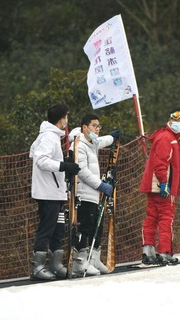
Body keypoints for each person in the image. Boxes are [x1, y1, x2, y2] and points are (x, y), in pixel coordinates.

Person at [29, 102, 80, 280]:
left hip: (56, 192)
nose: (67, 120)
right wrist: (62, 165)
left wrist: (63, 161)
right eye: (66, 117)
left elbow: (34, 153)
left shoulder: (52, 137)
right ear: (61, 120)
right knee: (47, 228)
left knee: (58, 229)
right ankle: (38, 266)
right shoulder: (48, 137)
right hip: (47, 193)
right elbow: (40, 159)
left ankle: (56, 265)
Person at [68, 114, 120, 277]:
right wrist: (100, 185)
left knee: (97, 226)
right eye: (94, 126)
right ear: (84, 127)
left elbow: (102, 141)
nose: (97, 129)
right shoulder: (78, 145)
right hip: (83, 193)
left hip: (94, 195)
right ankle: (80, 261)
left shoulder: (92, 142)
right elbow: (82, 170)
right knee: (85, 227)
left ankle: (94, 258)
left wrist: (112, 137)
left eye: (99, 126)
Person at [139, 108, 180, 265]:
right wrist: (163, 184)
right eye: (177, 120)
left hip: (154, 185)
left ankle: (148, 251)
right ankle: (164, 252)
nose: (179, 124)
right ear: (170, 120)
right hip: (162, 186)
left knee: (152, 218)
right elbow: (161, 163)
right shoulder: (167, 138)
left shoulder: (165, 136)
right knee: (166, 218)